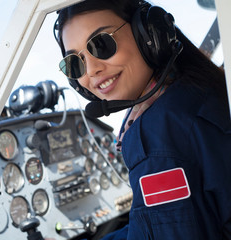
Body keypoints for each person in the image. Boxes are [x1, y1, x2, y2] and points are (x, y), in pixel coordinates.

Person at [53, 0, 231, 239]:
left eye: (101, 44)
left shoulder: (156, 134)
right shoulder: (199, 87)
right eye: (75, 63)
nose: (92, 69)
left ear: (149, 33)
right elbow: (154, 226)